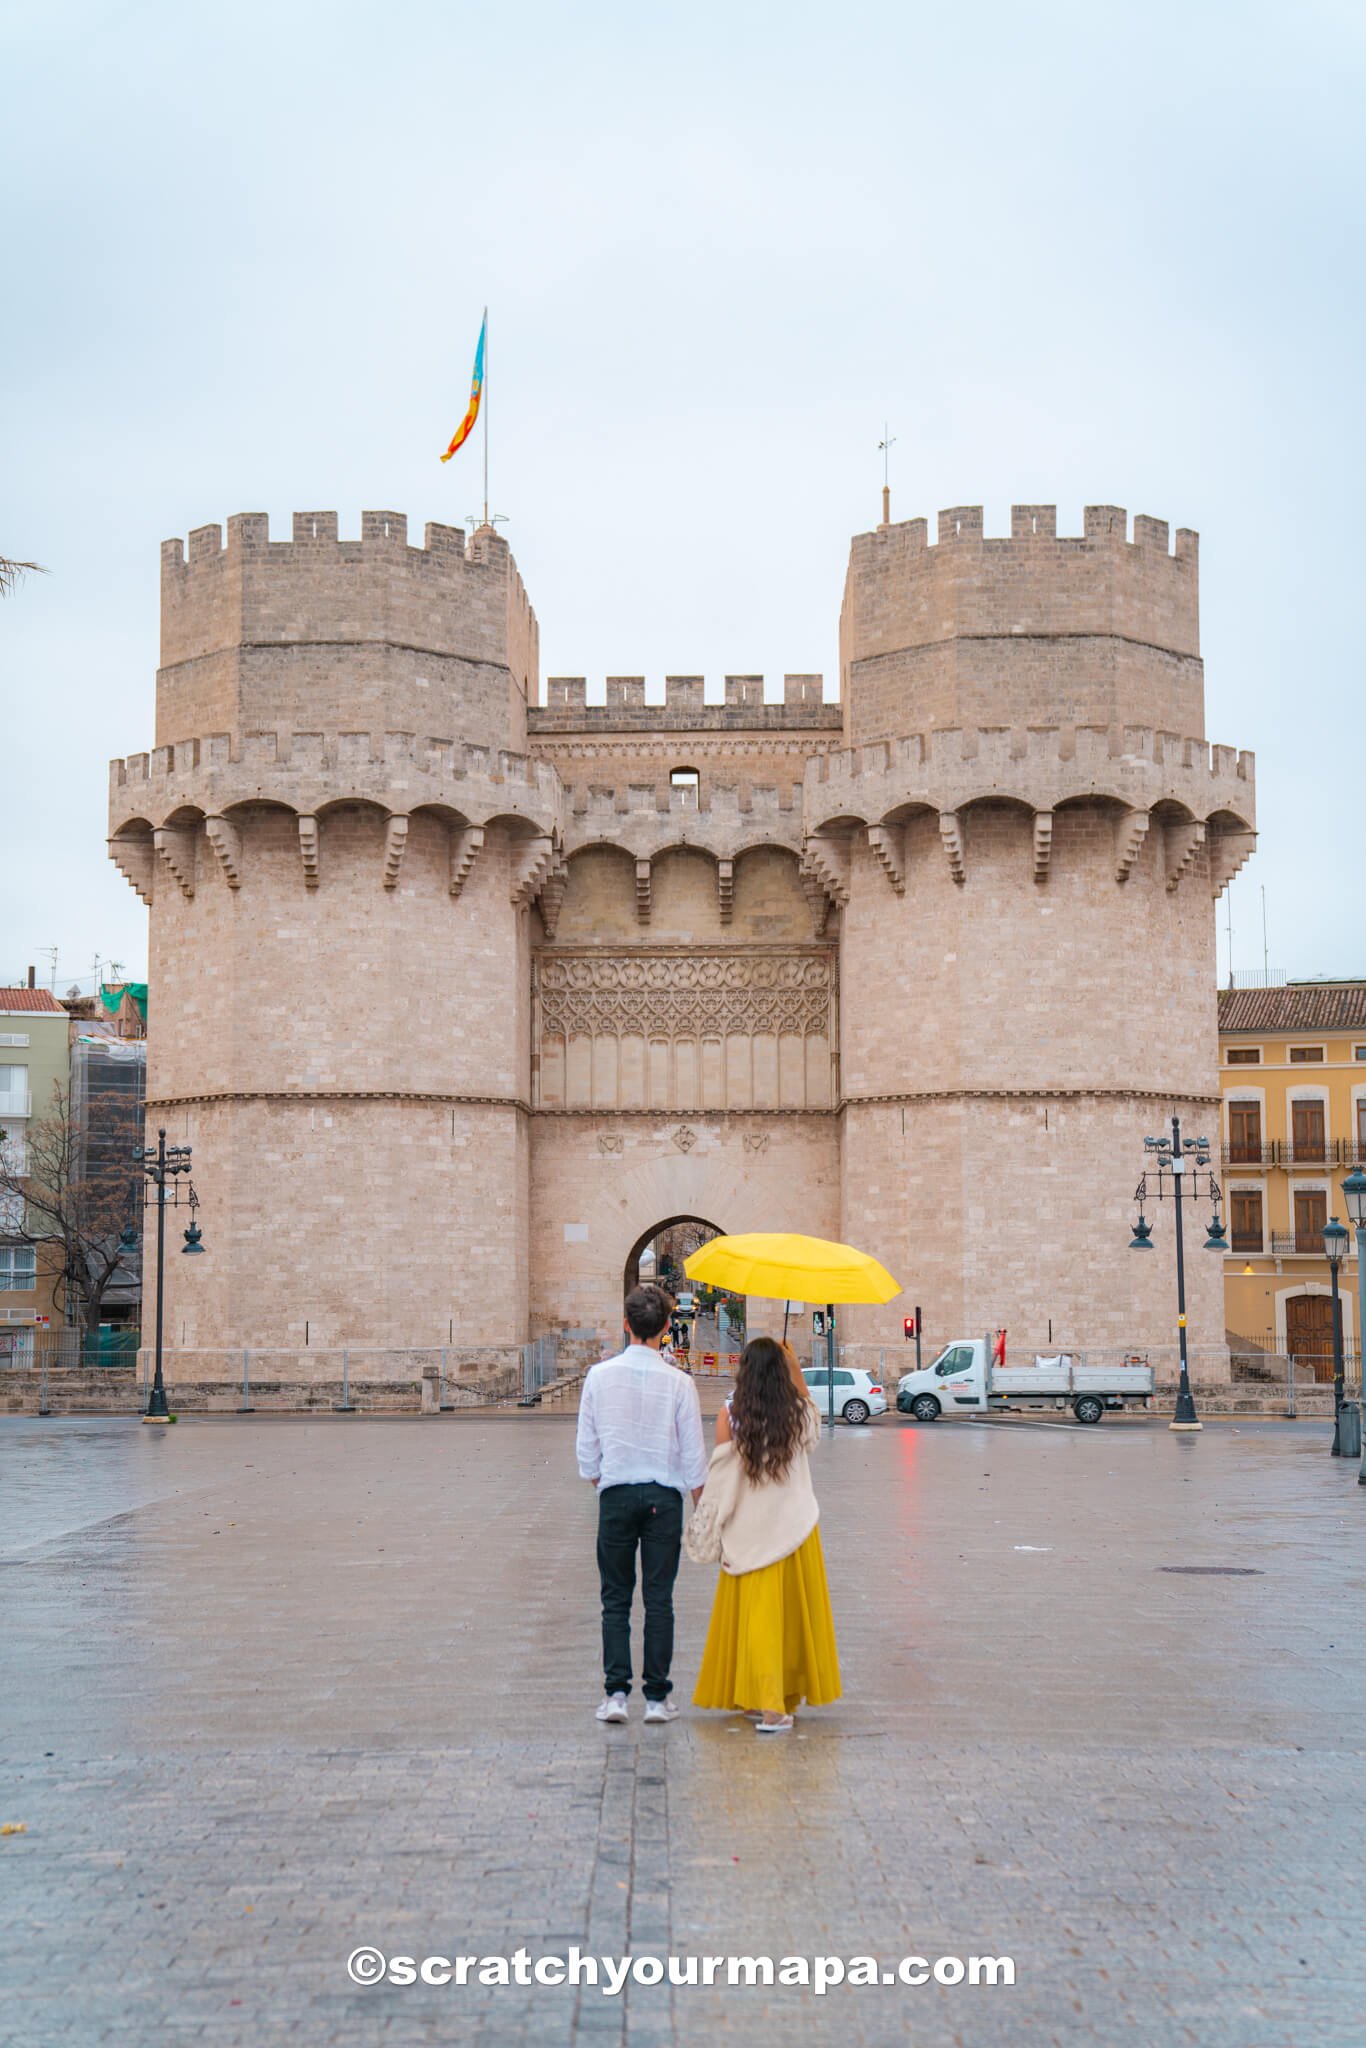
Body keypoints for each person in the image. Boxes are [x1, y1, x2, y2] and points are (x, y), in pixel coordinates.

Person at [692, 1336, 841, 1733]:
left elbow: (721, 1477)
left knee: (756, 1618)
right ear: (780, 1372)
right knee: (788, 1619)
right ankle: (776, 1702)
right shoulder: (797, 1413)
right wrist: (796, 1370)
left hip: (749, 1530)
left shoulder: (730, 1415)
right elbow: (814, 1432)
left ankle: (763, 1699)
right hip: (793, 1528)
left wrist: (709, 1520)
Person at [577, 1282, 709, 1724]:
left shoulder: (599, 1377)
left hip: (616, 1493)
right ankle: (656, 1698)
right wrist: (702, 1508)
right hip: (663, 1498)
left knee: (615, 1598)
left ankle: (615, 1695)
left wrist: (604, 1480)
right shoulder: (680, 1382)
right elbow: (693, 1455)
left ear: (626, 1325)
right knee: (659, 1599)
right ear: (667, 1327)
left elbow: (586, 1448)